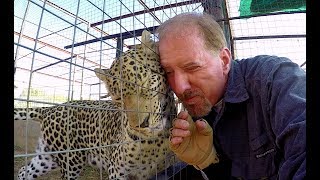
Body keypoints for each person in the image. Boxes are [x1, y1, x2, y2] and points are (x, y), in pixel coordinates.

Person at [156, 12, 305, 179]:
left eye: (192, 68)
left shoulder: (274, 79)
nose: (179, 87)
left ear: (224, 61)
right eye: (168, 72)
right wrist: (207, 162)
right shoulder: (194, 120)